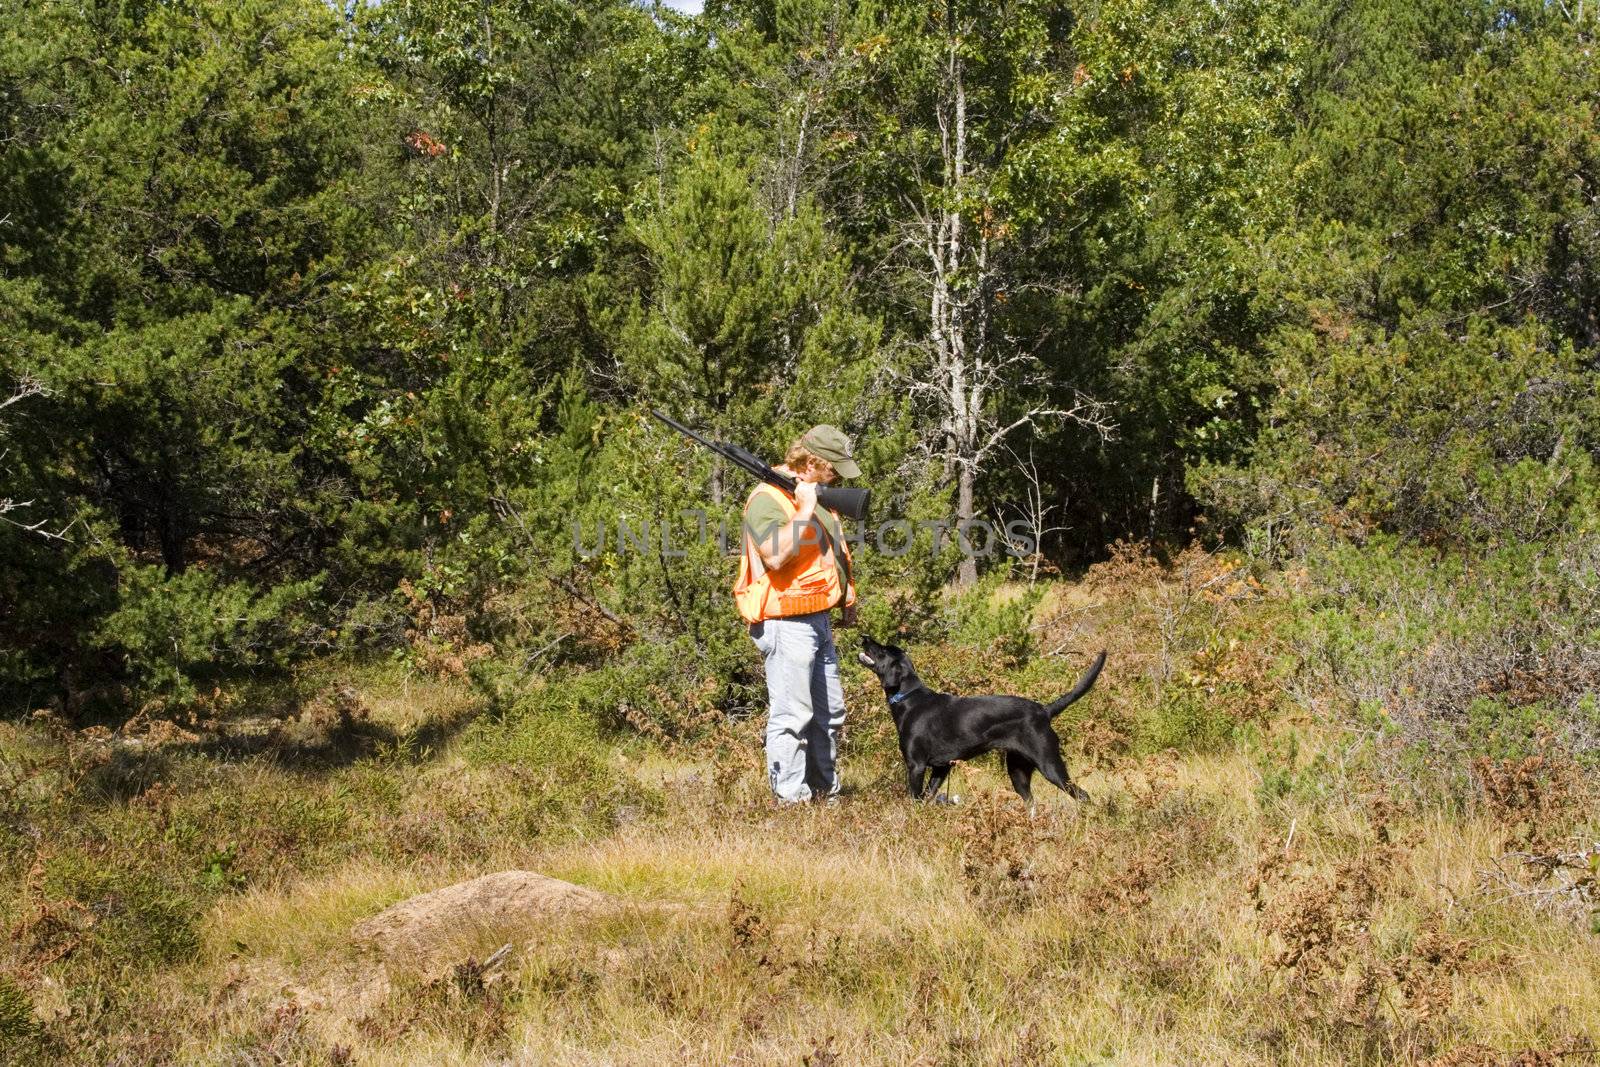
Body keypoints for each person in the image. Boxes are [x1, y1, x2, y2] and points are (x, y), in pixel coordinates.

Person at [733, 425, 861, 804]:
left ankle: (825, 793)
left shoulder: (818, 495)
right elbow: (775, 555)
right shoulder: (768, 499)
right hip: (784, 621)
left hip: (817, 618)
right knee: (793, 717)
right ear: (811, 463)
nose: (838, 475)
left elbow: (828, 554)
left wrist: (846, 599)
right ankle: (791, 802)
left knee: (829, 713)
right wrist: (804, 508)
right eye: (833, 467)